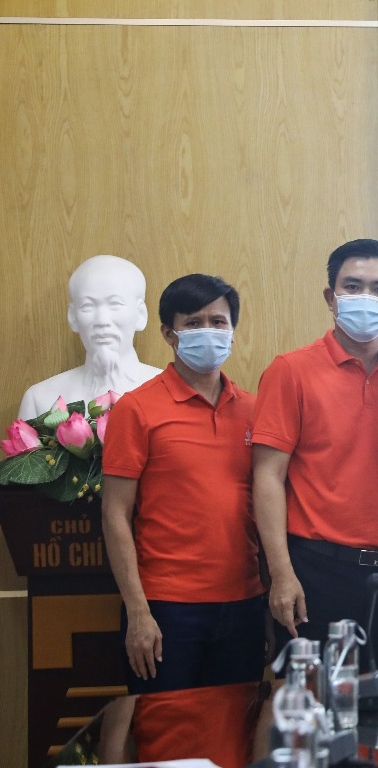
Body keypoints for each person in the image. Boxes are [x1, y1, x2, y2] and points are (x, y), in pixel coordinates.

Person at [252, 239, 378, 670]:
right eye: (352, 286)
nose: (366, 297)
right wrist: (281, 573)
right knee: (317, 701)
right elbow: (267, 477)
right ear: (330, 298)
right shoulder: (290, 370)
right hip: (316, 571)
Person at [101, 274, 264, 693]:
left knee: (237, 726)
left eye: (218, 321)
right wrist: (138, 612)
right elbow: (115, 514)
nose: (208, 331)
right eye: (193, 323)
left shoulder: (254, 410)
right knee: (164, 727)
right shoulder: (136, 409)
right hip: (166, 608)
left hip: (244, 603)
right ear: (168, 334)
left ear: (233, 330)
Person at [20, 256, 162, 419]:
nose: (102, 320)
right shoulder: (40, 399)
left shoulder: (173, 392)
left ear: (141, 314)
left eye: (115, 304)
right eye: (87, 306)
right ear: (72, 317)